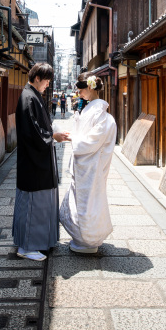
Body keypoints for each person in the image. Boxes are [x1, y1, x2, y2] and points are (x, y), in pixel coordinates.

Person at [13, 63, 70, 261]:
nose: (47, 85)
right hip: (33, 163)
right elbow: (32, 133)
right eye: (46, 81)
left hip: (37, 161)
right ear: (37, 78)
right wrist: (53, 136)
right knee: (32, 204)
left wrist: (52, 134)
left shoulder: (31, 95)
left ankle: (37, 242)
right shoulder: (28, 97)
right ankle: (27, 247)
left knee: (36, 203)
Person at [59, 73, 117, 254]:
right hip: (85, 164)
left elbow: (92, 140)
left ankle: (89, 239)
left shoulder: (101, 114)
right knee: (84, 200)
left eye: (81, 89)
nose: (78, 93)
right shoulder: (91, 110)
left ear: (90, 87)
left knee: (89, 201)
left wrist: (74, 138)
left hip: (92, 165)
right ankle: (84, 237)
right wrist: (74, 135)